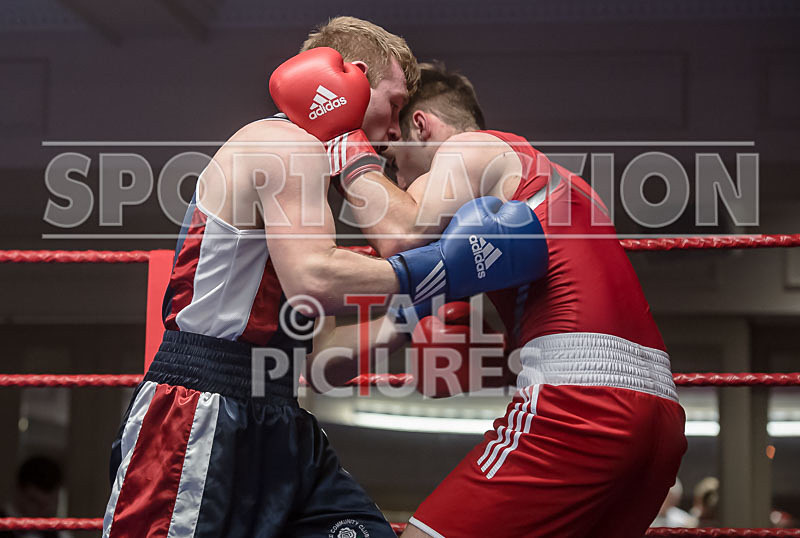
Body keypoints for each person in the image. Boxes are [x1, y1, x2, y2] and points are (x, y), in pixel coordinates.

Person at [103, 19, 546, 538]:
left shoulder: (312, 173)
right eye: (395, 103)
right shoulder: (284, 145)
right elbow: (315, 280)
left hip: (276, 411)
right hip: (200, 413)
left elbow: (318, 357)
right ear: (351, 78)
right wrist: (438, 271)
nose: (398, 129)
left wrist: (405, 318)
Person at [276, 61, 687, 537]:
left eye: (393, 163)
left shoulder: (473, 149)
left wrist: (345, 143)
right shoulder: (531, 211)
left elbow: (400, 233)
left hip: (578, 405)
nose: (398, 182)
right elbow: (349, 360)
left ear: (422, 126)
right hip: (661, 421)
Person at [1, 456, 66, 538]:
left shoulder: (60, 534)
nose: (45, 511)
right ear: (19, 492)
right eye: (36, 502)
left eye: (52, 502)